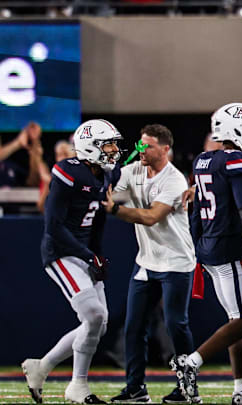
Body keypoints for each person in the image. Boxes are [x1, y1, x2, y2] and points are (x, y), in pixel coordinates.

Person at [178, 103, 242, 405]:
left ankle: (241, 388)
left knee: (236, 318)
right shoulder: (236, 161)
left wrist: (197, 245)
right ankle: (191, 362)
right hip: (230, 247)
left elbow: (196, 210)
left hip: (209, 246)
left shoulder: (204, 159)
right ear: (238, 130)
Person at [22, 119, 122, 405]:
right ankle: (77, 385)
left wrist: (97, 254)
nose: (114, 150)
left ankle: (42, 366)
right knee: (93, 316)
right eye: (108, 145)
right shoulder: (69, 172)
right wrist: (88, 255)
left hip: (84, 250)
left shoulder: (105, 174)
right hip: (61, 251)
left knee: (98, 324)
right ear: (90, 147)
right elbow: (53, 226)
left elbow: (99, 221)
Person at [105, 124, 197, 404]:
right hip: (146, 262)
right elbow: (106, 184)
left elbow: (151, 216)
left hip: (176, 262)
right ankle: (135, 388)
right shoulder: (134, 170)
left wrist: (115, 209)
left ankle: (187, 388)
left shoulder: (174, 180)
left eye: (149, 146)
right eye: (140, 144)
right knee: (134, 327)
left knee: (175, 325)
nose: (142, 150)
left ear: (165, 149)